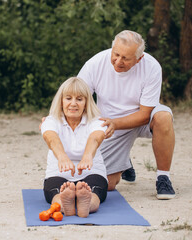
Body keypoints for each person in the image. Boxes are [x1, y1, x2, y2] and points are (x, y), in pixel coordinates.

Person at [75, 30, 175, 200]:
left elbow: (145, 114)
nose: (118, 61)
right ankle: (125, 162)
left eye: (125, 58)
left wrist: (116, 123)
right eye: (116, 54)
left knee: (164, 116)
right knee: (107, 184)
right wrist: (55, 118)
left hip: (141, 118)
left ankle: (163, 177)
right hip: (110, 124)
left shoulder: (151, 67)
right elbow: (76, 96)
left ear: (139, 58)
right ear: (112, 47)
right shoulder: (95, 63)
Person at [41, 77, 108, 218]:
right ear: (61, 101)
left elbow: (96, 137)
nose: (73, 104)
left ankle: (86, 205)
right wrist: (62, 157)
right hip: (59, 174)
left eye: (79, 99)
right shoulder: (51, 120)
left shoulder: (96, 121)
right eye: (68, 98)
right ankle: (66, 204)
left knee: (93, 193)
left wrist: (88, 156)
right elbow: (51, 138)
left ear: (86, 103)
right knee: (57, 194)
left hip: (91, 172)